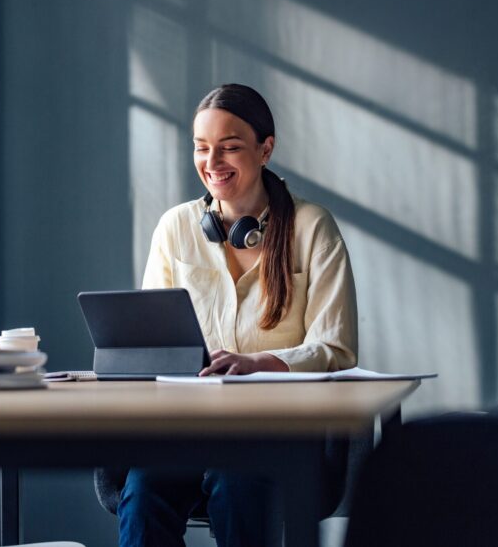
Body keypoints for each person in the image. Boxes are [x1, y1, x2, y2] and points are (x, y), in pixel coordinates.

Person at [117, 84, 358, 546]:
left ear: (266, 149)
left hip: (277, 430)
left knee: (238, 486)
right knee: (144, 493)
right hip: (188, 426)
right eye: (202, 148)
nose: (212, 162)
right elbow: (153, 341)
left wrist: (262, 363)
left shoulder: (312, 227)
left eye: (229, 147)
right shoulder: (176, 227)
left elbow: (336, 347)